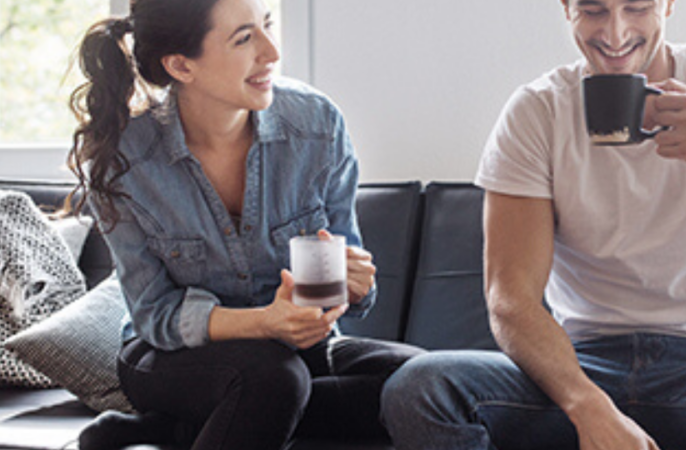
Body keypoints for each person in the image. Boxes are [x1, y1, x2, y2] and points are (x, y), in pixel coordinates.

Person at [381, 1, 686, 449]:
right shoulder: (536, 112)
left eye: (636, 7)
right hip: (582, 365)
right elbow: (511, 300)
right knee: (419, 387)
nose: (615, 32)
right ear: (567, 8)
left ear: (669, 3)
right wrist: (586, 405)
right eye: (593, 10)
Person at [64, 0, 423, 448]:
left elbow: (340, 270)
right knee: (276, 380)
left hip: (296, 350)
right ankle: (220, 412)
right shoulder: (124, 163)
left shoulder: (317, 126)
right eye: (243, 37)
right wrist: (266, 323)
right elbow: (155, 314)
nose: (271, 51)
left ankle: (175, 432)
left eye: (267, 25)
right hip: (170, 355)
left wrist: (352, 285)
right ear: (181, 65)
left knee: (428, 384)